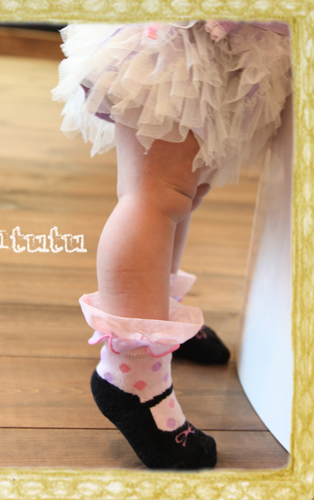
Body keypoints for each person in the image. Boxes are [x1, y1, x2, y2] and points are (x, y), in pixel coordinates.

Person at [51, 20, 292, 469]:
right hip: (182, 37)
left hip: (233, 44)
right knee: (154, 197)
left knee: (184, 191)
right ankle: (132, 375)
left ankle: (160, 315)